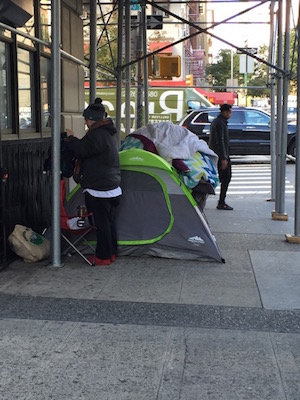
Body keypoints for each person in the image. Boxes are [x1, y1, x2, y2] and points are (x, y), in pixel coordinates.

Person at [66, 98, 122, 265]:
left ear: (92, 119)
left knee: (102, 224)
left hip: (100, 189)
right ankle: (111, 253)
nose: (85, 122)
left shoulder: (97, 134)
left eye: (86, 119)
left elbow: (82, 150)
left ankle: (103, 257)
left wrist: (71, 138)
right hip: (112, 186)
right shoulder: (108, 133)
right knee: (109, 223)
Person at [209, 104, 233, 210]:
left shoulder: (219, 122)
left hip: (218, 154)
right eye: (229, 112)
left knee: (223, 177)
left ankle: (221, 201)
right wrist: (224, 158)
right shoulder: (220, 124)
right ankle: (221, 202)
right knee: (226, 177)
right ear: (225, 112)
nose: (230, 114)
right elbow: (220, 142)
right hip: (220, 155)